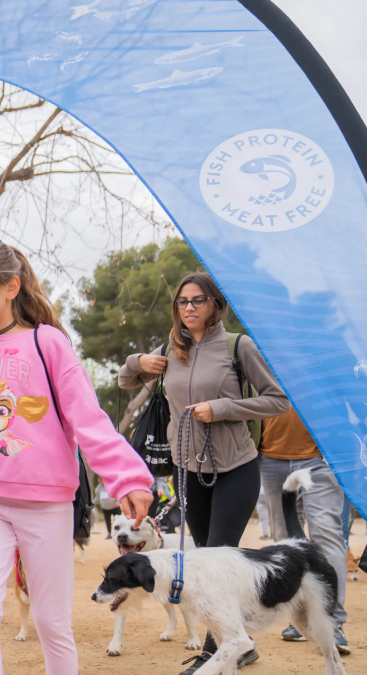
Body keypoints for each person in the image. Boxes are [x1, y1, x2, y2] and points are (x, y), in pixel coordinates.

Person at [0, 238, 153, 675]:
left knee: (50, 621)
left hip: (47, 506)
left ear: (10, 286)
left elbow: (89, 420)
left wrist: (128, 478)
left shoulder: (48, 344)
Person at [119, 271, 290, 674]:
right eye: (182, 302)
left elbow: (277, 400)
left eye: (197, 300)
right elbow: (127, 381)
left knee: (214, 560)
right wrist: (137, 361)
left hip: (236, 467)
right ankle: (241, 644)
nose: (189, 308)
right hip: (188, 471)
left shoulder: (237, 347)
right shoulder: (168, 350)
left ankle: (218, 650)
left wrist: (224, 408)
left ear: (215, 304)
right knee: (204, 558)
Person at [258, 408, 351, 653]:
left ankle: (332, 621)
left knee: (327, 536)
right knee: (284, 540)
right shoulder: (262, 366)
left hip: (322, 456)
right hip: (271, 455)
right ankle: (299, 619)